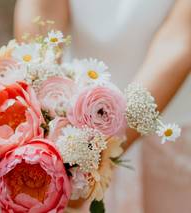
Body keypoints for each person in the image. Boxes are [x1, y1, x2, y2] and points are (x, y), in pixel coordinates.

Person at [14, 0, 191, 212]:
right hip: (74, 128)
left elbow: (177, 40)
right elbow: (43, 11)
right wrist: (46, 115)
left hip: (168, 131)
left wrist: (100, 153)